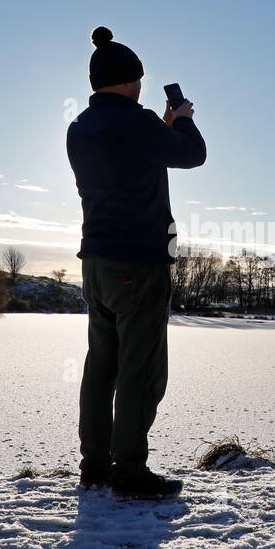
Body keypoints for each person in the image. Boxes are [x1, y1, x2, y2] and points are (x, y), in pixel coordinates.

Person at [66, 26, 206, 499]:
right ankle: (129, 472)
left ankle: (95, 467)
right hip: (139, 264)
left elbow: (127, 161)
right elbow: (193, 155)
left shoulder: (80, 129)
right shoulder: (140, 123)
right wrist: (181, 121)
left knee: (101, 367)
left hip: (96, 264)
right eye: (138, 80)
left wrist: (158, 131)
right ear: (130, 81)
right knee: (140, 371)